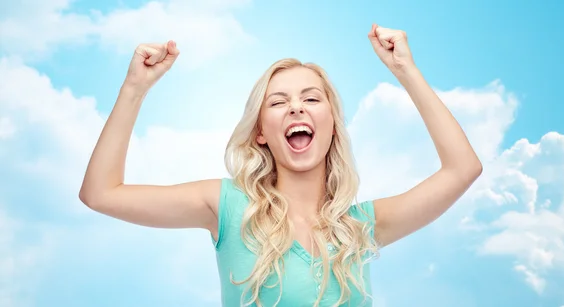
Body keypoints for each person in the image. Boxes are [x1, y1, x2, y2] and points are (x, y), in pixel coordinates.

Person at [79, 24, 482, 307]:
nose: (295, 107)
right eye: (278, 102)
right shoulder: (226, 206)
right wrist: (134, 89)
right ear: (261, 133)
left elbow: (463, 169)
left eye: (311, 98)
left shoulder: (360, 229)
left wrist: (404, 71)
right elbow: (101, 193)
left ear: (332, 125)